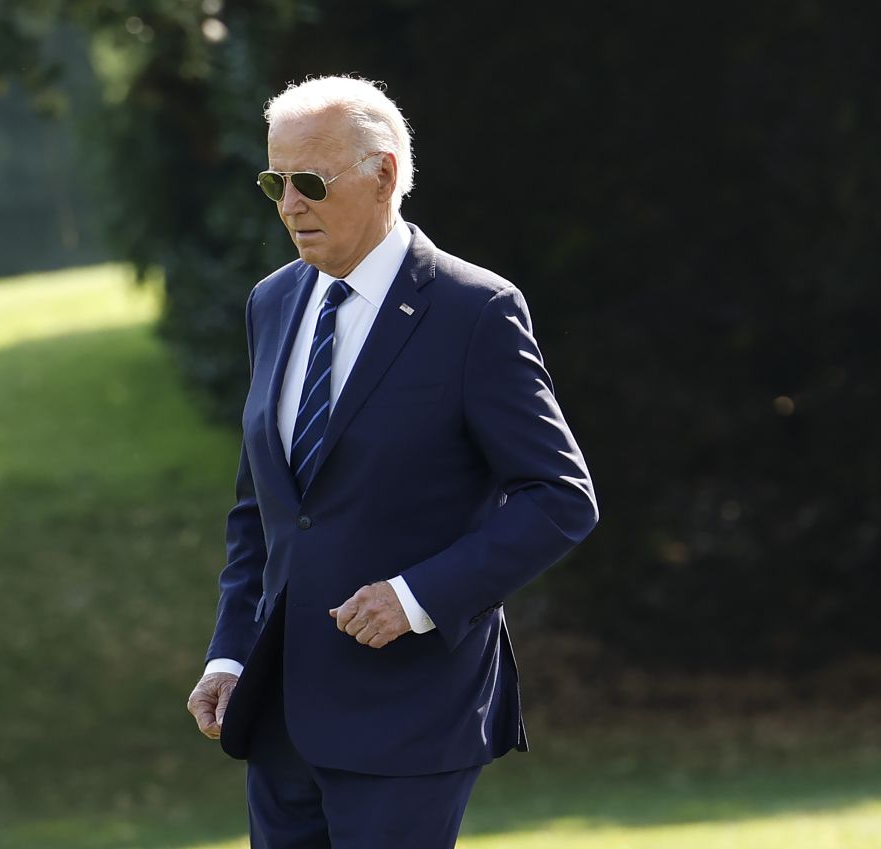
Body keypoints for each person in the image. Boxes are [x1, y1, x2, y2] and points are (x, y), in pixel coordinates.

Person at [186, 75, 598, 849]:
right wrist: (231, 651)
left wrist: (415, 597)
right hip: (277, 715)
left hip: (411, 715)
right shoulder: (271, 303)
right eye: (275, 181)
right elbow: (262, 511)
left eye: (309, 182)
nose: (288, 205)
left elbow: (560, 496)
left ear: (383, 174)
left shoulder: (475, 311)